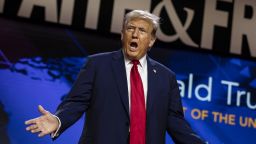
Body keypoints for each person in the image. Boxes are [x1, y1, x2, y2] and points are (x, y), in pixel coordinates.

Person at [25, 10, 205, 144]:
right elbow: (76, 102)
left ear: (151, 41)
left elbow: (175, 122)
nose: (135, 34)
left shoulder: (166, 77)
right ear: (122, 34)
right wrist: (58, 120)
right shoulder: (97, 65)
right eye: (130, 28)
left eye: (142, 30)